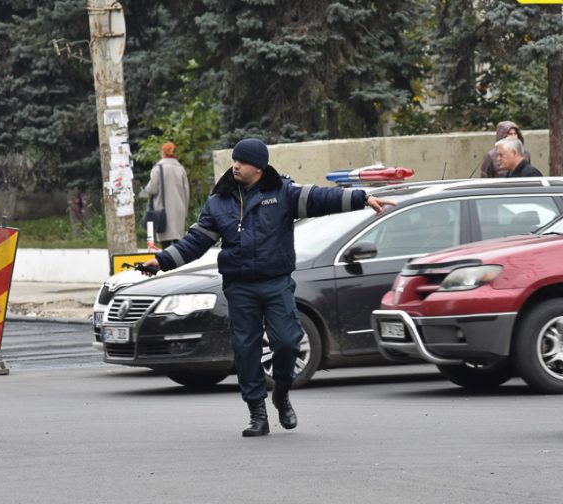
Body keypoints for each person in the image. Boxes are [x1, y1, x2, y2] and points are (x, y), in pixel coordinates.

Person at [141, 138, 395, 437]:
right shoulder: (219, 201)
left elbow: (321, 198)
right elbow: (196, 241)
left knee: (287, 342)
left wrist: (362, 198)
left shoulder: (283, 193)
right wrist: (162, 262)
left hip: (276, 283)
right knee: (246, 349)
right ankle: (257, 414)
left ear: (259, 167)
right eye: (234, 160)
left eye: (242, 162)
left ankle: (282, 393)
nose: (235, 165)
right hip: (239, 286)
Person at [145, 141, 190, 248]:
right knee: (178, 246)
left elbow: (152, 189)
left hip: (162, 211)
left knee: (165, 245)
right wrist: (185, 211)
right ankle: (178, 263)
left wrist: (145, 189)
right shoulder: (180, 169)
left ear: (163, 152)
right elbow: (186, 192)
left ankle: (167, 264)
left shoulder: (157, 168)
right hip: (179, 210)